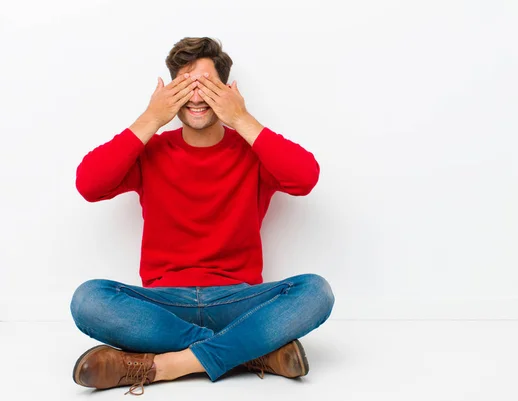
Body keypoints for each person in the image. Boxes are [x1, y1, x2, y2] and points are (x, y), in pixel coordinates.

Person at [69, 37, 335, 396]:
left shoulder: (253, 151)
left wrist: (241, 118)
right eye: (185, 86)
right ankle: (249, 352)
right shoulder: (152, 152)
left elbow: (305, 178)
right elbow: (89, 184)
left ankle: (166, 366)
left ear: (226, 90)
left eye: (207, 86)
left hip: (237, 300)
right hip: (165, 304)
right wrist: (151, 118)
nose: (195, 97)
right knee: (88, 300)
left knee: (316, 291)